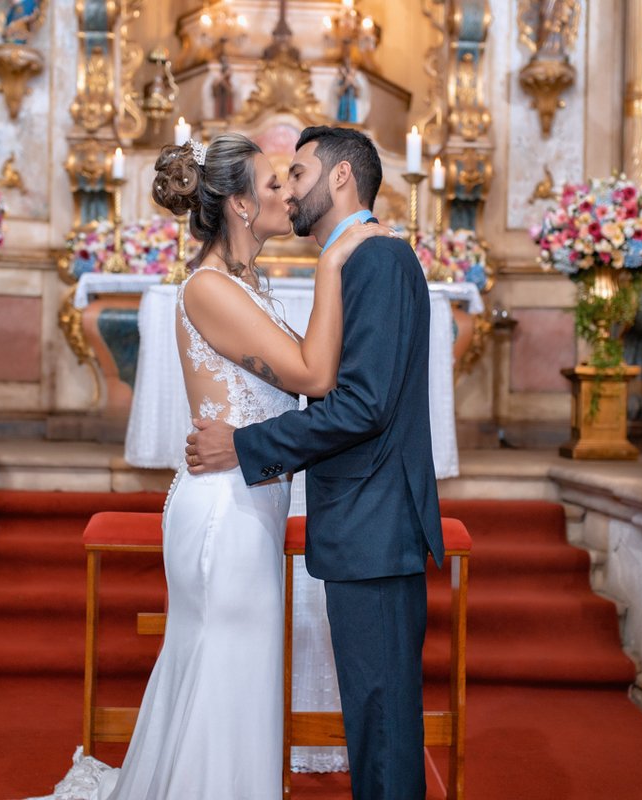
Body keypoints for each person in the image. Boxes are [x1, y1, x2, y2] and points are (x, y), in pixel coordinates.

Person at [26, 133, 396, 800]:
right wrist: (335, 261)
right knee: (227, 676)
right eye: (274, 183)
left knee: (239, 677)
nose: (289, 193)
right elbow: (314, 375)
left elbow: (312, 376)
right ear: (240, 206)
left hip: (252, 499)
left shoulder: (247, 285)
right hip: (225, 510)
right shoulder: (207, 288)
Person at [186, 126, 445, 800]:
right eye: (277, 180)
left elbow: (362, 407)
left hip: (375, 525)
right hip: (362, 524)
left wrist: (245, 446)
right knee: (375, 721)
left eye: (297, 174)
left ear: (340, 177)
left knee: (382, 727)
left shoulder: (376, 259)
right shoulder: (351, 261)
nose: (290, 192)